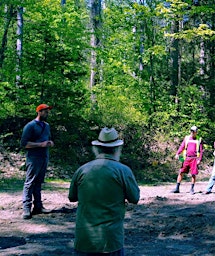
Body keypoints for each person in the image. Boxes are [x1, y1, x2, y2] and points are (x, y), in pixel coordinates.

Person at [68, 127, 140, 255]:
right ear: (117, 149)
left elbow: (72, 197)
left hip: (84, 238)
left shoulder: (82, 170)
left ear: (97, 148)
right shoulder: (123, 171)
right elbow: (134, 198)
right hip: (110, 240)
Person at [20, 104, 55, 219]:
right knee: (30, 182)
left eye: (48, 111)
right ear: (39, 112)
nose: (47, 113)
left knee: (39, 182)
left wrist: (50, 143)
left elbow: (47, 138)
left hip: (44, 157)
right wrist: (40, 144)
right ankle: (26, 208)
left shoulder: (47, 126)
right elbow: (24, 144)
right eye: (45, 111)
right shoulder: (30, 126)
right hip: (33, 158)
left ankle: (38, 206)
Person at [173, 125, 204, 194]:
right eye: (191, 131)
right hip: (186, 158)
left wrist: (199, 159)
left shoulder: (199, 139)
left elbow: (201, 151)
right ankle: (177, 188)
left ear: (196, 132)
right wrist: (177, 153)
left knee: (193, 174)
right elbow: (182, 146)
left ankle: (192, 189)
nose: (192, 133)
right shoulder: (187, 138)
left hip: (194, 159)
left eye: (194, 131)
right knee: (181, 172)